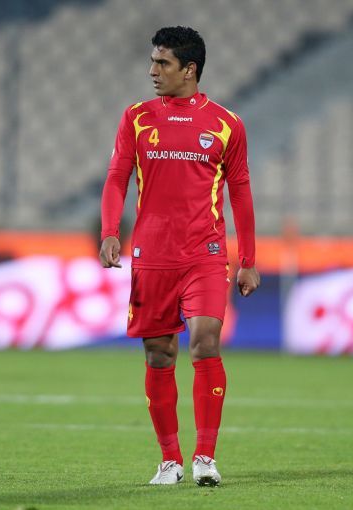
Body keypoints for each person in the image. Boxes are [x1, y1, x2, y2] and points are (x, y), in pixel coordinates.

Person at [99, 26, 260, 486]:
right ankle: (169, 460)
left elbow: (240, 192)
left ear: (189, 69)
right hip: (152, 254)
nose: (152, 71)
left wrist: (248, 259)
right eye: (152, 61)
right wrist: (110, 232)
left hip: (205, 254)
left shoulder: (227, 124)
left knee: (206, 341)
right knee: (159, 354)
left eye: (162, 63)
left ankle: (205, 457)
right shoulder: (136, 117)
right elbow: (116, 178)